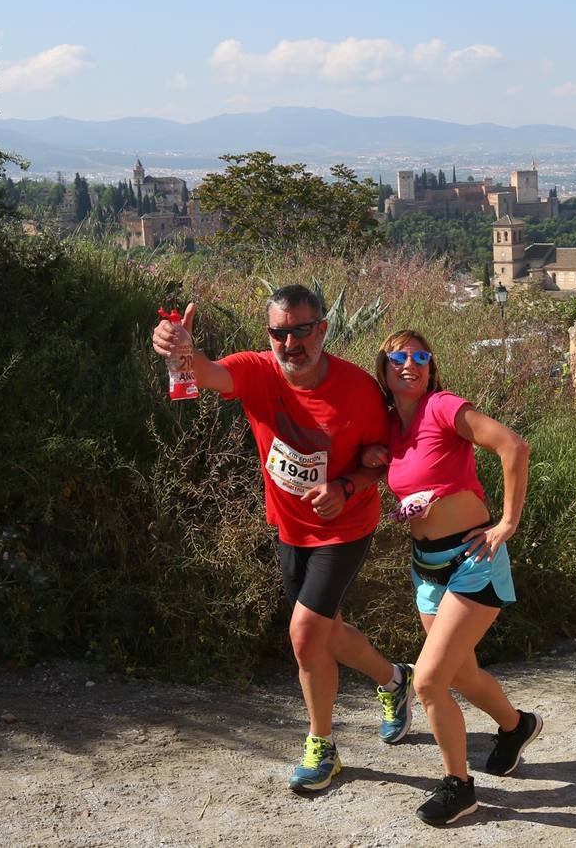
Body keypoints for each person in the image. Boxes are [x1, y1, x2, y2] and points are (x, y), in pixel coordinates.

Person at [151, 286, 411, 794]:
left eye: (301, 330)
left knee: (304, 634)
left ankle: (323, 747)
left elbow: (385, 461)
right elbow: (207, 372)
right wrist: (180, 348)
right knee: (326, 632)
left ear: (323, 330)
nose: (290, 342)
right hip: (288, 526)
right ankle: (394, 680)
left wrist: (345, 486)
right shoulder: (256, 370)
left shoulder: (358, 390)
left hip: (345, 526)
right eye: (279, 332)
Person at [362, 331, 539, 826]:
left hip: (472, 560)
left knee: (429, 681)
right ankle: (516, 724)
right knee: (460, 673)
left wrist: (508, 522)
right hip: (427, 566)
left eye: (421, 356)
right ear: (384, 367)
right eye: (399, 356)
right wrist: (373, 459)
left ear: (431, 367)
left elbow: (513, 446)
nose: (410, 364)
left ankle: (459, 787)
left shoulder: (442, 406)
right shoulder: (392, 427)